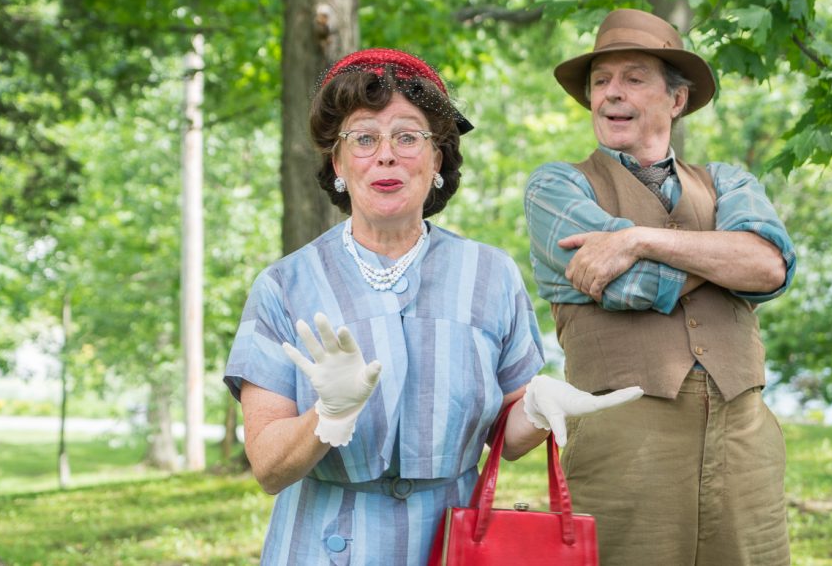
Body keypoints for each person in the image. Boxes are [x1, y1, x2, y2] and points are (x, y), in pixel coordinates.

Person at [224, 47, 642, 566]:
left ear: (437, 159)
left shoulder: (490, 275)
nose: (386, 155)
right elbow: (267, 466)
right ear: (337, 163)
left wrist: (534, 409)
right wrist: (327, 418)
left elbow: (507, 439)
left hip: (453, 545)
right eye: (363, 138)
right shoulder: (283, 286)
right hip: (322, 544)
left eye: (407, 136)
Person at [524, 9, 798, 566]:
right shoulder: (557, 186)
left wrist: (638, 239)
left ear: (676, 100)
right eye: (600, 82)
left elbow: (769, 268)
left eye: (633, 78)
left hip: (745, 441)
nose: (610, 94)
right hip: (624, 443)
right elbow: (631, 285)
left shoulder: (729, 180)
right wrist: (728, 256)